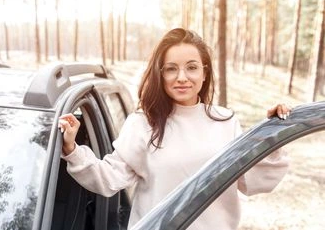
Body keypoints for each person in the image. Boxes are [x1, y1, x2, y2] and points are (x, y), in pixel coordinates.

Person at [58, 28, 290, 230]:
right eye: (171, 69)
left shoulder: (226, 121)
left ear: (204, 72)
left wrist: (274, 132)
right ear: (161, 74)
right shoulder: (143, 123)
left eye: (191, 67)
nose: (182, 78)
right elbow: (108, 178)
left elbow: (254, 181)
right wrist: (72, 149)